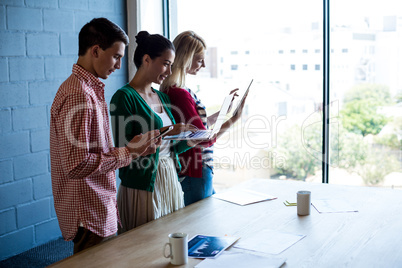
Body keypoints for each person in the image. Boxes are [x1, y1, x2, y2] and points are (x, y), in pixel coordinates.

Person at [50, 18, 161, 254]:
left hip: (97, 206)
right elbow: (76, 165)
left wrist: (135, 148)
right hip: (89, 213)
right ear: (96, 51)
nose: (119, 66)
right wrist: (129, 151)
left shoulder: (87, 89)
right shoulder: (78, 94)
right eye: (116, 56)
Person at [110, 31, 197, 233]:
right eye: (166, 63)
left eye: (171, 65)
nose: (168, 71)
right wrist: (166, 131)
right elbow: (124, 149)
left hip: (169, 178)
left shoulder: (162, 98)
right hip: (143, 185)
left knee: (173, 241)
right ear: (147, 59)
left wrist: (189, 140)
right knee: (144, 247)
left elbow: (170, 147)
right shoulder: (124, 97)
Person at [160, 31, 246, 206]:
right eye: (199, 60)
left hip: (194, 171)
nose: (204, 65)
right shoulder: (180, 94)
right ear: (186, 58)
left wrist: (223, 113)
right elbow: (203, 139)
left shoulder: (177, 90)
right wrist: (234, 118)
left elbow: (196, 127)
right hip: (195, 171)